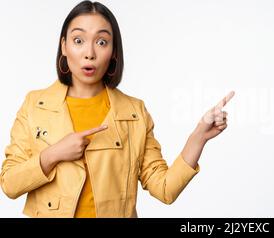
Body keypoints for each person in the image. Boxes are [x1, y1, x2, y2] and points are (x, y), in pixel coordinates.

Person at [0, 0, 234, 218]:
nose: (89, 53)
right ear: (64, 47)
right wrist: (53, 154)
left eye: (101, 41)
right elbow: (9, 184)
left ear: (113, 52)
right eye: (78, 40)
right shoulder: (34, 105)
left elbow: (165, 189)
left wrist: (198, 137)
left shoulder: (135, 112)